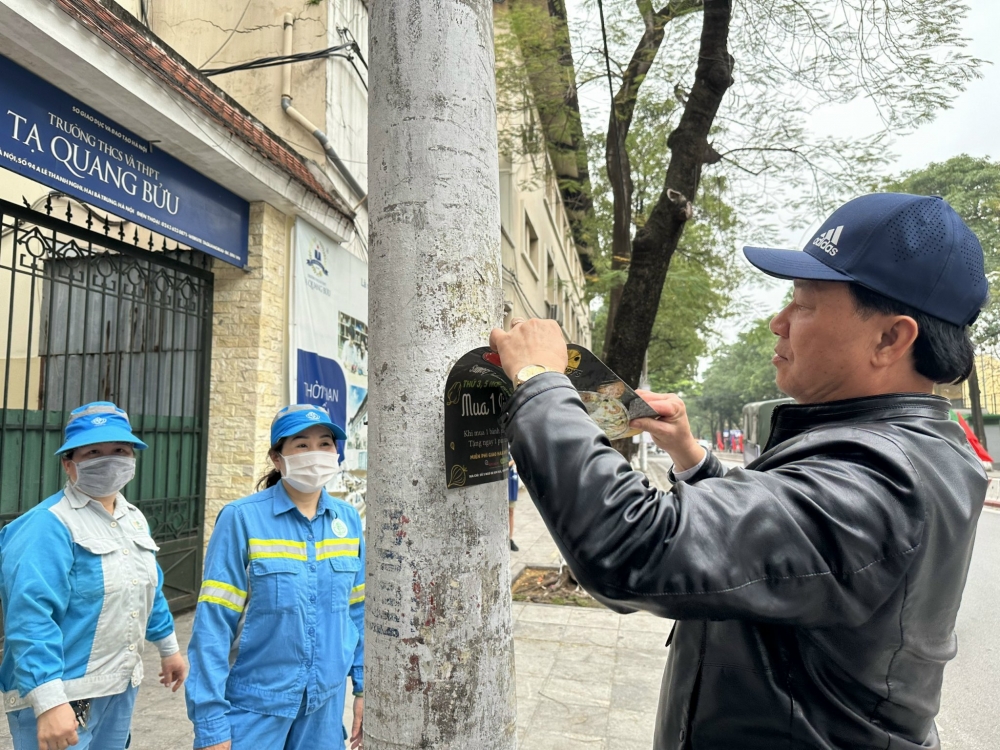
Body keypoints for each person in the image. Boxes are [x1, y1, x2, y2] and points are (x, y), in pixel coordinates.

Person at [489, 193, 989, 749]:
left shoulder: (883, 477)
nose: (778, 322)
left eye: (804, 303)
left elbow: (630, 545)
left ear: (890, 338)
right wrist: (695, 462)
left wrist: (540, 380)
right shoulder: (898, 449)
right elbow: (785, 557)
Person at [0, 401, 186, 750]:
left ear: (133, 458)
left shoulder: (132, 518)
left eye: (119, 449)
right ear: (69, 465)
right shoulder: (48, 525)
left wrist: (169, 649)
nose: (110, 459)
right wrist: (49, 700)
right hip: (65, 694)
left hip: (119, 686)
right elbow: (29, 617)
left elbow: (149, 587)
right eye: (93, 452)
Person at [185, 404, 364, 750]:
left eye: (325, 443)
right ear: (277, 458)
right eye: (301, 444)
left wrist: (363, 686)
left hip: (323, 711)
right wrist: (210, 724)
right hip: (253, 708)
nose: (316, 453)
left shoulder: (348, 521)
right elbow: (213, 624)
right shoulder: (241, 519)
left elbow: (357, 609)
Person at [507, 453, 519, 551]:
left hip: (512, 481)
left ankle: (510, 539)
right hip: (502, 482)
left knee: (511, 511)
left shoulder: (513, 446)